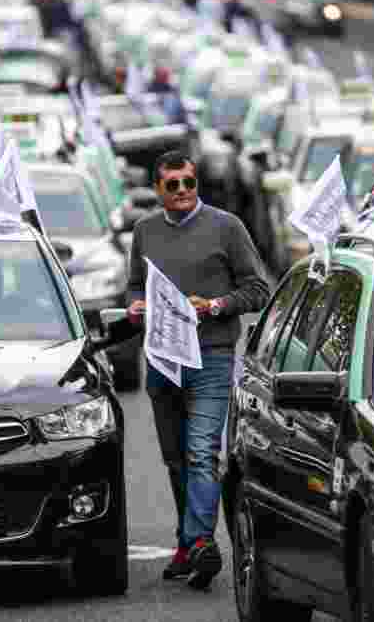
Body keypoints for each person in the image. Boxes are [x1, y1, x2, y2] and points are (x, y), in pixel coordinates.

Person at [126, 151, 270, 590]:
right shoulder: (144, 231)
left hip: (211, 355)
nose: (183, 191)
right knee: (175, 459)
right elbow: (135, 284)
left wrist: (217, 305)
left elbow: (258, 289)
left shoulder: (227, 227)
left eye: (189, 183)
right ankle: (187, 543)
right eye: (173, 185)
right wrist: (136, 305)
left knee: (202, 451)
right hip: (163, 360)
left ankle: (202, 543)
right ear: (159, 190)